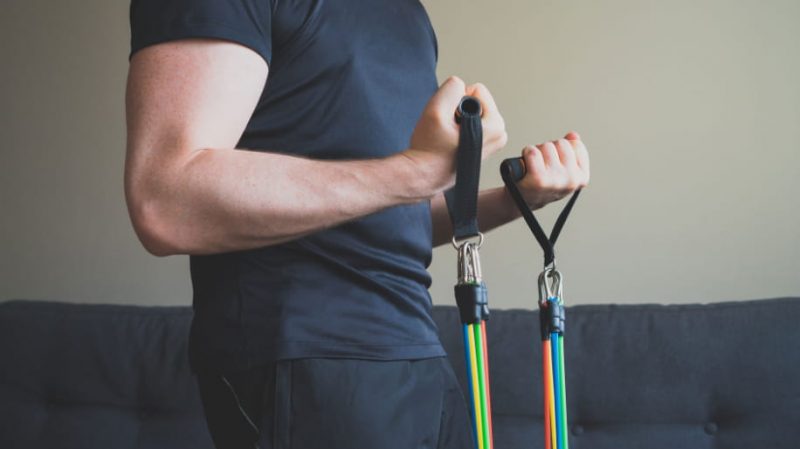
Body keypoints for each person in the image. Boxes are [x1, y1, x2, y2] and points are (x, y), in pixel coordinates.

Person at [124, 0, 590, 448]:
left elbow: (397, 211)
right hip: (307, 355)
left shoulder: (408, 14)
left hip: (418, 350)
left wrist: (517, 200)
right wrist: (415, 172)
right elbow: (165, 200)